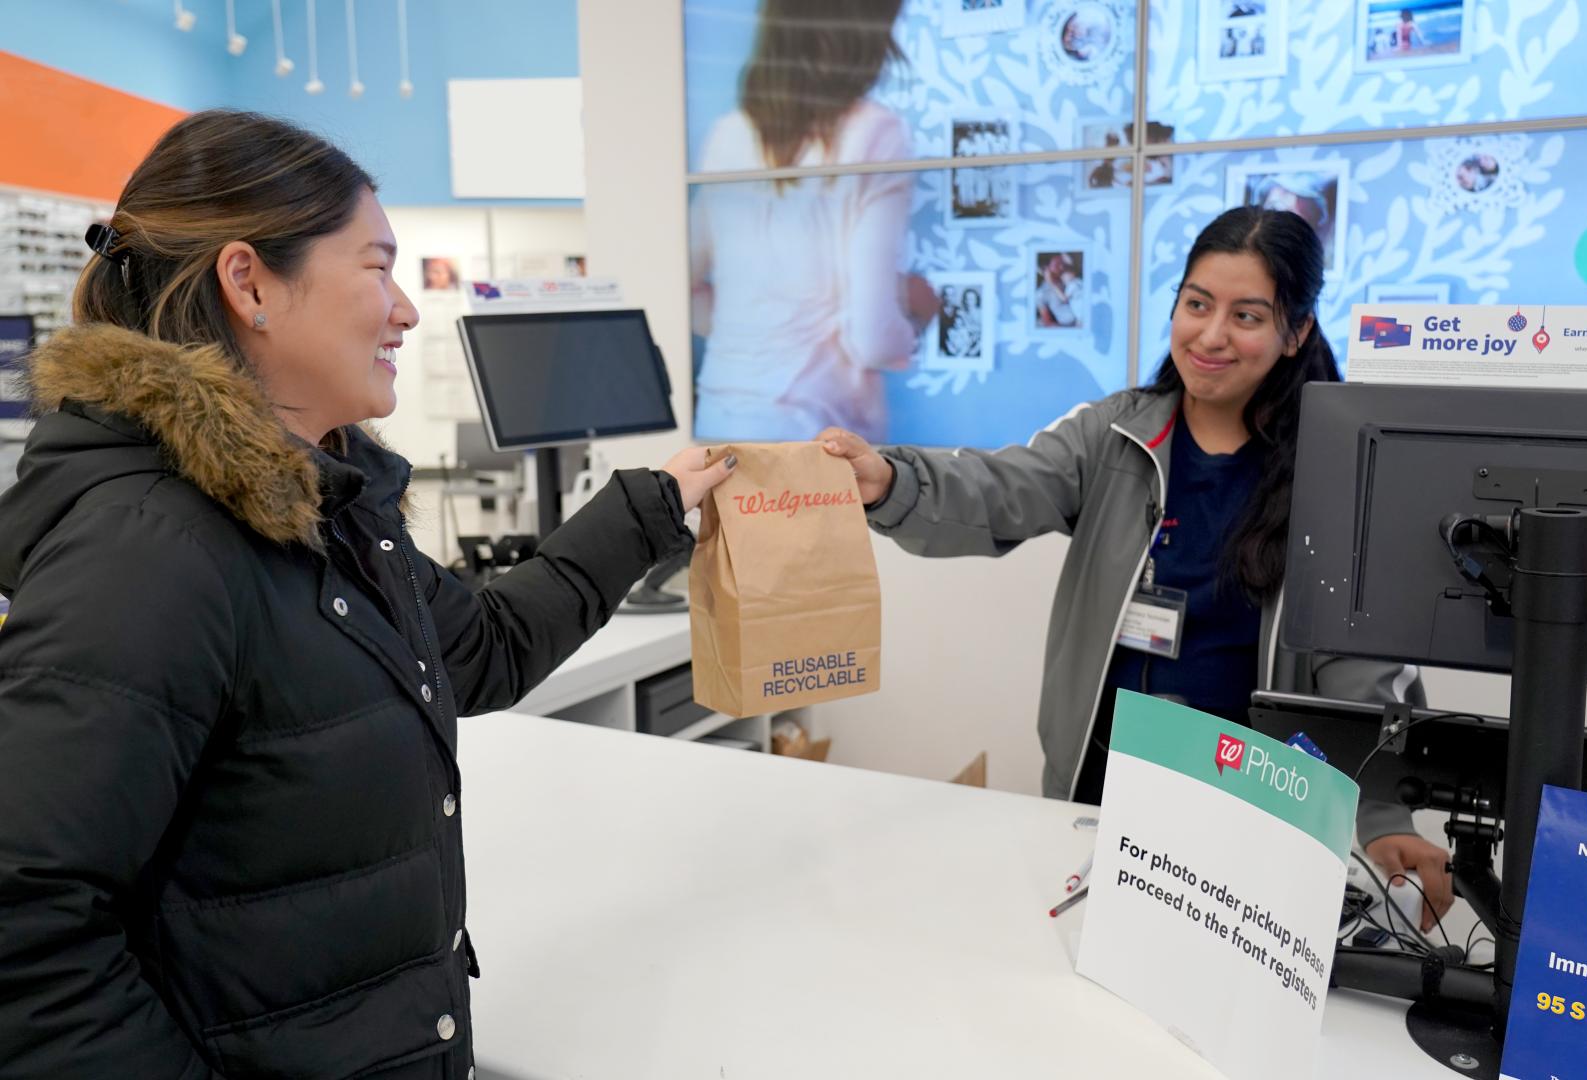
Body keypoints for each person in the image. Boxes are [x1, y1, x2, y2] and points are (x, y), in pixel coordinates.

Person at [0, 110, 735, 1078]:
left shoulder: (318, 510)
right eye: (377, 267)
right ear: (250, 282)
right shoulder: (152, 549)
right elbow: (26, 919)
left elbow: (486, 645)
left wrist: (651, 508)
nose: (408, 309)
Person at [819, 207, 1456, 929]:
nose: (1211, 335)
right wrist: (890, 481)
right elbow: (1001, 489)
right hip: (1101, 789)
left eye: (1247, 315)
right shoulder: (1116, 433)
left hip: (1253, 811)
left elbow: (1361, 670)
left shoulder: (1334, 472)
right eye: (1196, 304)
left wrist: (1381, 812)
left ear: (1296, 333)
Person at [690, 0, 936, 444]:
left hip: (719, 423)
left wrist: (759, 332)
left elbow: (683, 287)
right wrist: (917, 314)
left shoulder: (729, 133)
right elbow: (874, 339)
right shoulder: (874, 133)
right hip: (816, 434)